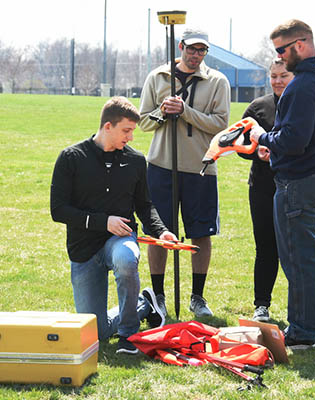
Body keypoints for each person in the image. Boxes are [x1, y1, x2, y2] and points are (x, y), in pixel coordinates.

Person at [50, 96, 177, 355]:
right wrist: (103, 222)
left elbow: (144, 205)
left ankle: (129, 336)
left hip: (121, 240)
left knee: (127, 257)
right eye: (126, 131)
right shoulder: (71, 157)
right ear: (107, 126)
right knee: (94, 332)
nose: (131, 137)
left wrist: (161, 230)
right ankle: (144, 305)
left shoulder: (136, 161)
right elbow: (58, 210)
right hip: (83, 247)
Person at [250, 19, 315, 349]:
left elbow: (294, 139)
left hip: (299, 181)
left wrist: (262, 136)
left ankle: (303, 332)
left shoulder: (304, 84)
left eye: (282, 50)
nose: (279, 57)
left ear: (301, 44)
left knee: (299, 256)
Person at [139, 28, 230, 317]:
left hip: (200, 167)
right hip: (161, 166)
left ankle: (198, 297)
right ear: (180, 47)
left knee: (201, 232)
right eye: (191, 49)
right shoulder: (158, 77)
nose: (196, 55)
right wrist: (163, 113)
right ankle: (159, 295)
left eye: (202, 50)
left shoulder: (217, 81)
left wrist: (185, 111)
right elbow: (143, 122)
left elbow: (220, 124)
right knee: (159, 232)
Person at [238, 59, 294, 322]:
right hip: (262, 187)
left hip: (297, 186)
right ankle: (262, 304)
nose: (278, 81)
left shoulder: (303, 104)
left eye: (284, 75)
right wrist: (256, 153)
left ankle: (304, 310)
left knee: (298, 250)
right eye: (273, 76)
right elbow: (238, 143)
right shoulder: (258, 107)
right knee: (266, 247)